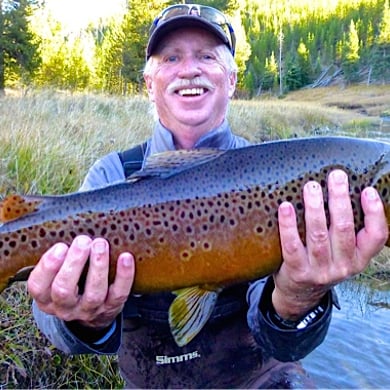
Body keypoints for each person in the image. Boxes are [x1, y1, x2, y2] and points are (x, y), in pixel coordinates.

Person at [28, 4, 388, 388]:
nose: (189, 69)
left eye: (207, 56)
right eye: (171, 57)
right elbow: (51, 320)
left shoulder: (275, 176)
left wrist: (299, 298)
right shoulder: (111, 177)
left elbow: (288, 343)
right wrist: (80, 318)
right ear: (149, 84)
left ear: (231, 80)